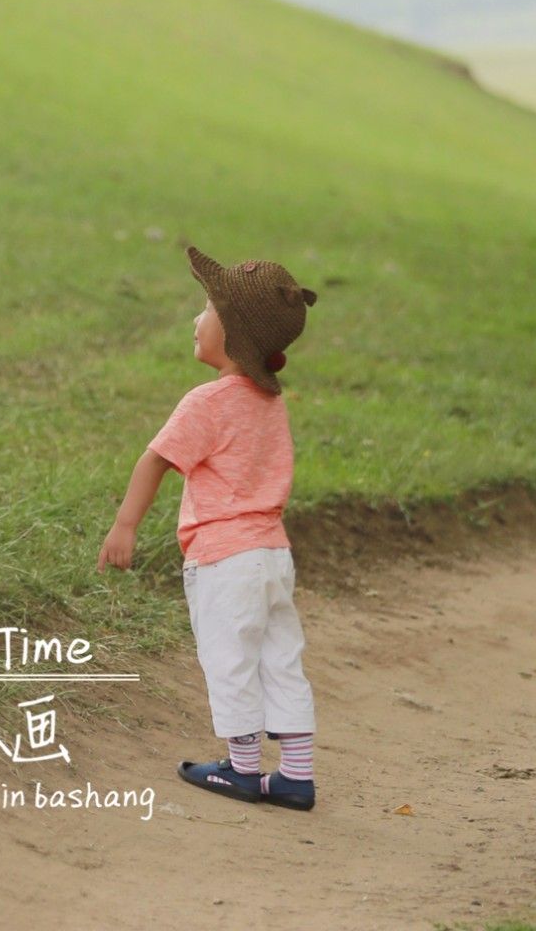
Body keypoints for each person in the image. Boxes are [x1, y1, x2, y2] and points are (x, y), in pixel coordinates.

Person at [98, 245, 318, 810]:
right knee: (279, 657)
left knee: (231, 658)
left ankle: (243, 769)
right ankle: (295, 774)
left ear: (234, 333)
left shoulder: (208, 402)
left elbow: (155, 460)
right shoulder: (271, 404)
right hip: (272, 555)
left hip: (224, 559)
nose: (196, 320)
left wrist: (124, 527)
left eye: (206, 310)